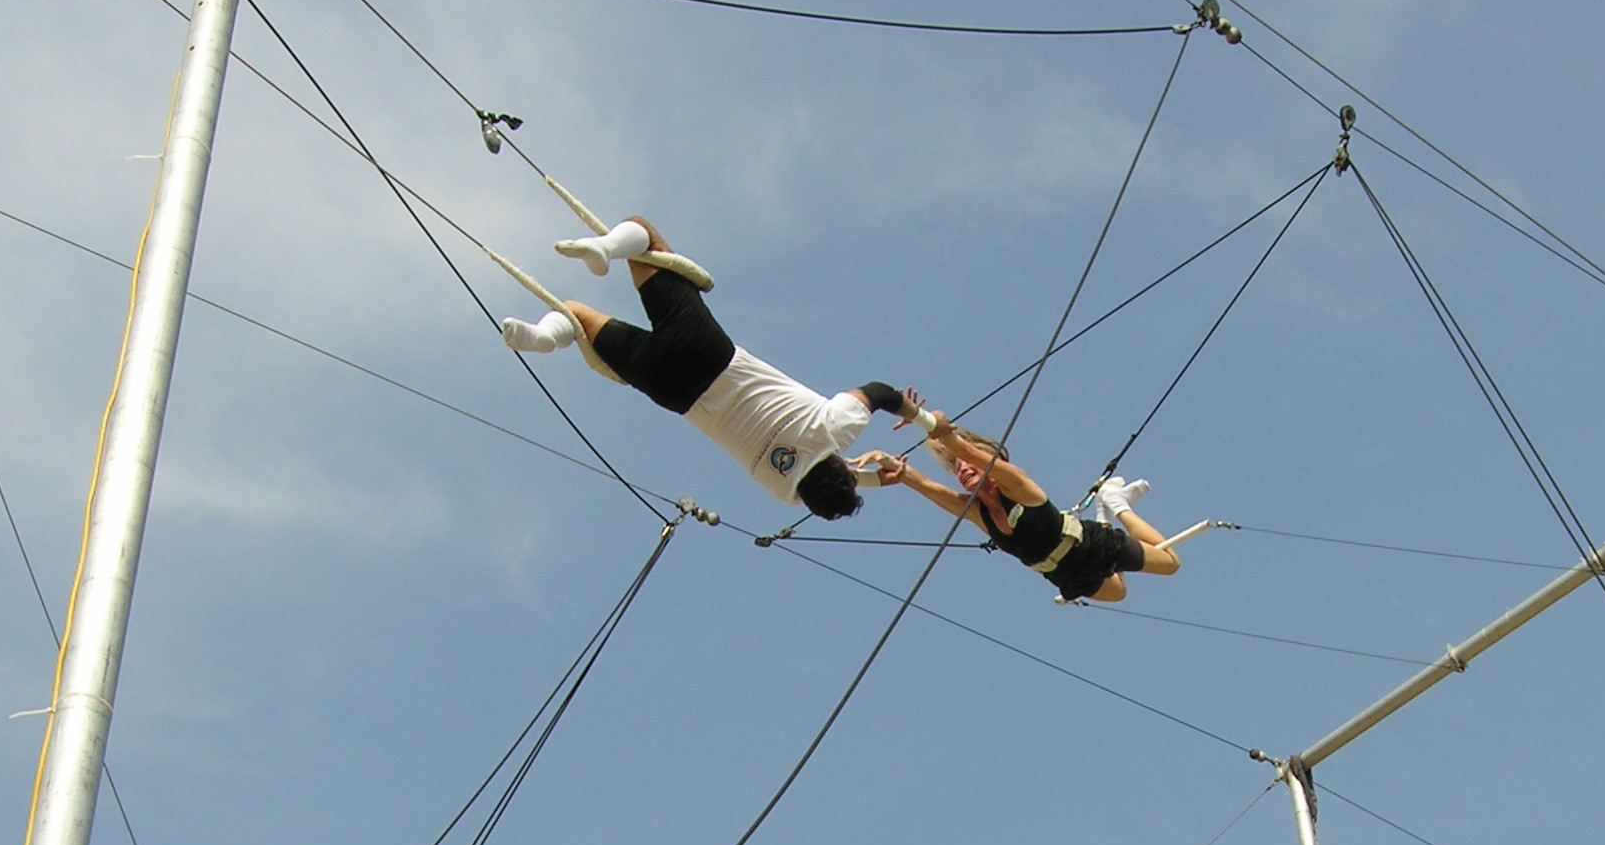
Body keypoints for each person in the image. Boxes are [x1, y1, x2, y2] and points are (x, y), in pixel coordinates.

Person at [501, 216, 910, 521]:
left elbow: (879, 392)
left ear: (839, 464)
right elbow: (817, 487)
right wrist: (871, 479)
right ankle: (542, 338)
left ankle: (608, 249)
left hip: (708, 353)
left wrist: (923, 419)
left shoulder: (834, 428)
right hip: (671, 389)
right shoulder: (783, 490)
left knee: (646, 237)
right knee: (575, 314)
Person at [859, 413, 1182, 604]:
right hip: (1063, 573)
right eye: (959, 469)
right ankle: (1104, 510)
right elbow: (925, 485)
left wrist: (934, 427)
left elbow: (967, 451)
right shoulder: (976, 513)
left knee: (1170, 564)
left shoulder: (1018, 486)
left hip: (1091, 546)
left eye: (969, 465)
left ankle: (1116, 504)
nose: (964, 470)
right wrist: (893, 468)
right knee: (1118, 593)